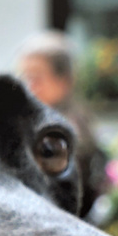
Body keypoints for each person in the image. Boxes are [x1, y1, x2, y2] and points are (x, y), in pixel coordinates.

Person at [16, 32, 106, 213]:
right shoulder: (29, 121)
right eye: (25, 77)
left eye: (37, 78)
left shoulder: (67, 129)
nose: (29, 86)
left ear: (64, 81)